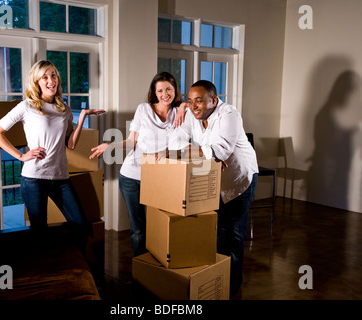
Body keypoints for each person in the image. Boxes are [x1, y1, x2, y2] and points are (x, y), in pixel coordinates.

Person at [0, 60, 105, 249]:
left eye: (53, 75)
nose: (51, 80)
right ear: (37, 82)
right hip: (34, 179)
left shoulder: (64, 109)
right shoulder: (27, 106)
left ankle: (75, 268)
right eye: (45, 77)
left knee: (81, 227)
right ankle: (46, 273)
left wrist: (82, 116)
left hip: (61, 178)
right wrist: (20, 156)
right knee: (39, 233)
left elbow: (71, 144)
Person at [168, 80, 259, 298]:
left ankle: (232, 286)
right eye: (190, 101)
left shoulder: (229, 115)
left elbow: (221, 151)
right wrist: (204, 153)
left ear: (213, 100)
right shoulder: (192, 114)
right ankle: (216, 279)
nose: (193, 106)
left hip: (239, 180)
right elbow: (174, 141)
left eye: (198, 101)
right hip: (213, 180)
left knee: (234, 235)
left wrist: (207, 154)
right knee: (216, 232)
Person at [90, 72, 186, 256]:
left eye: (168, 89)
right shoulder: (143, 109)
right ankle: (141, 266)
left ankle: (157, 267)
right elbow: (131, 142)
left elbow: (198, 105)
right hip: (132, 177)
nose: (164, 94)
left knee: (160, 225)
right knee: (138, 228)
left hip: (159, 177)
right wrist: (110, 145)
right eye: (160, 90)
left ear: (175, 90)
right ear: (154, 92)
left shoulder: (179, 113)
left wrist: (183, 105)